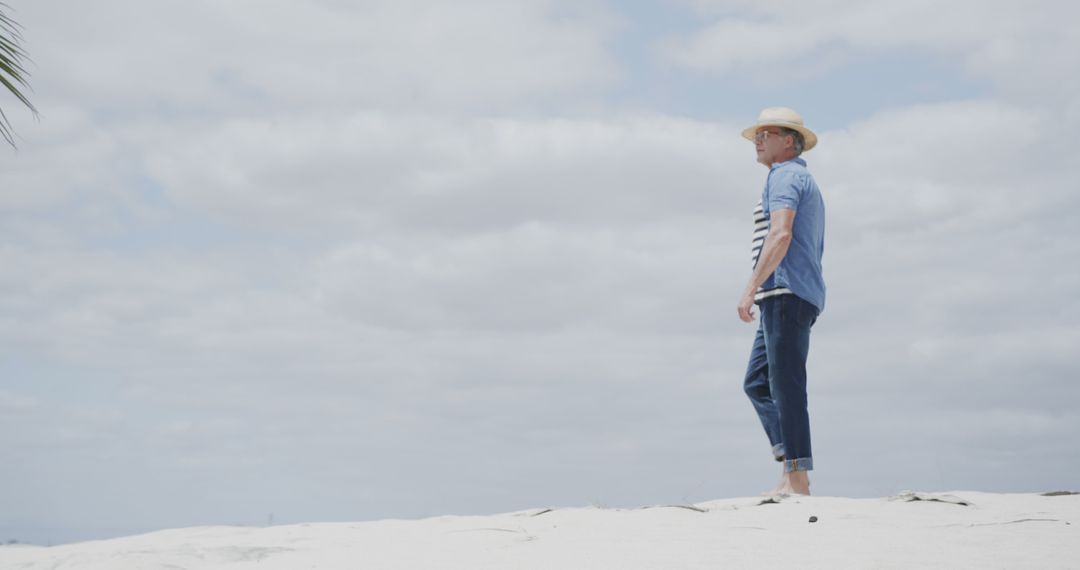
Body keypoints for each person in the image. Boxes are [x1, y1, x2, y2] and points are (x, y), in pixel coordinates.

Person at [736, 107, 826, 496]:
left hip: (785, 291)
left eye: (764, 134)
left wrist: (750, 286)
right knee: (758, 382)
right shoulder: (794, 176)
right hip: (787, 293)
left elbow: (781, 234)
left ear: (787, 140)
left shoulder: (785, 175)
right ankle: (791, 471)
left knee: (786, 385)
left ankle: (798, 480)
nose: (757, 142)